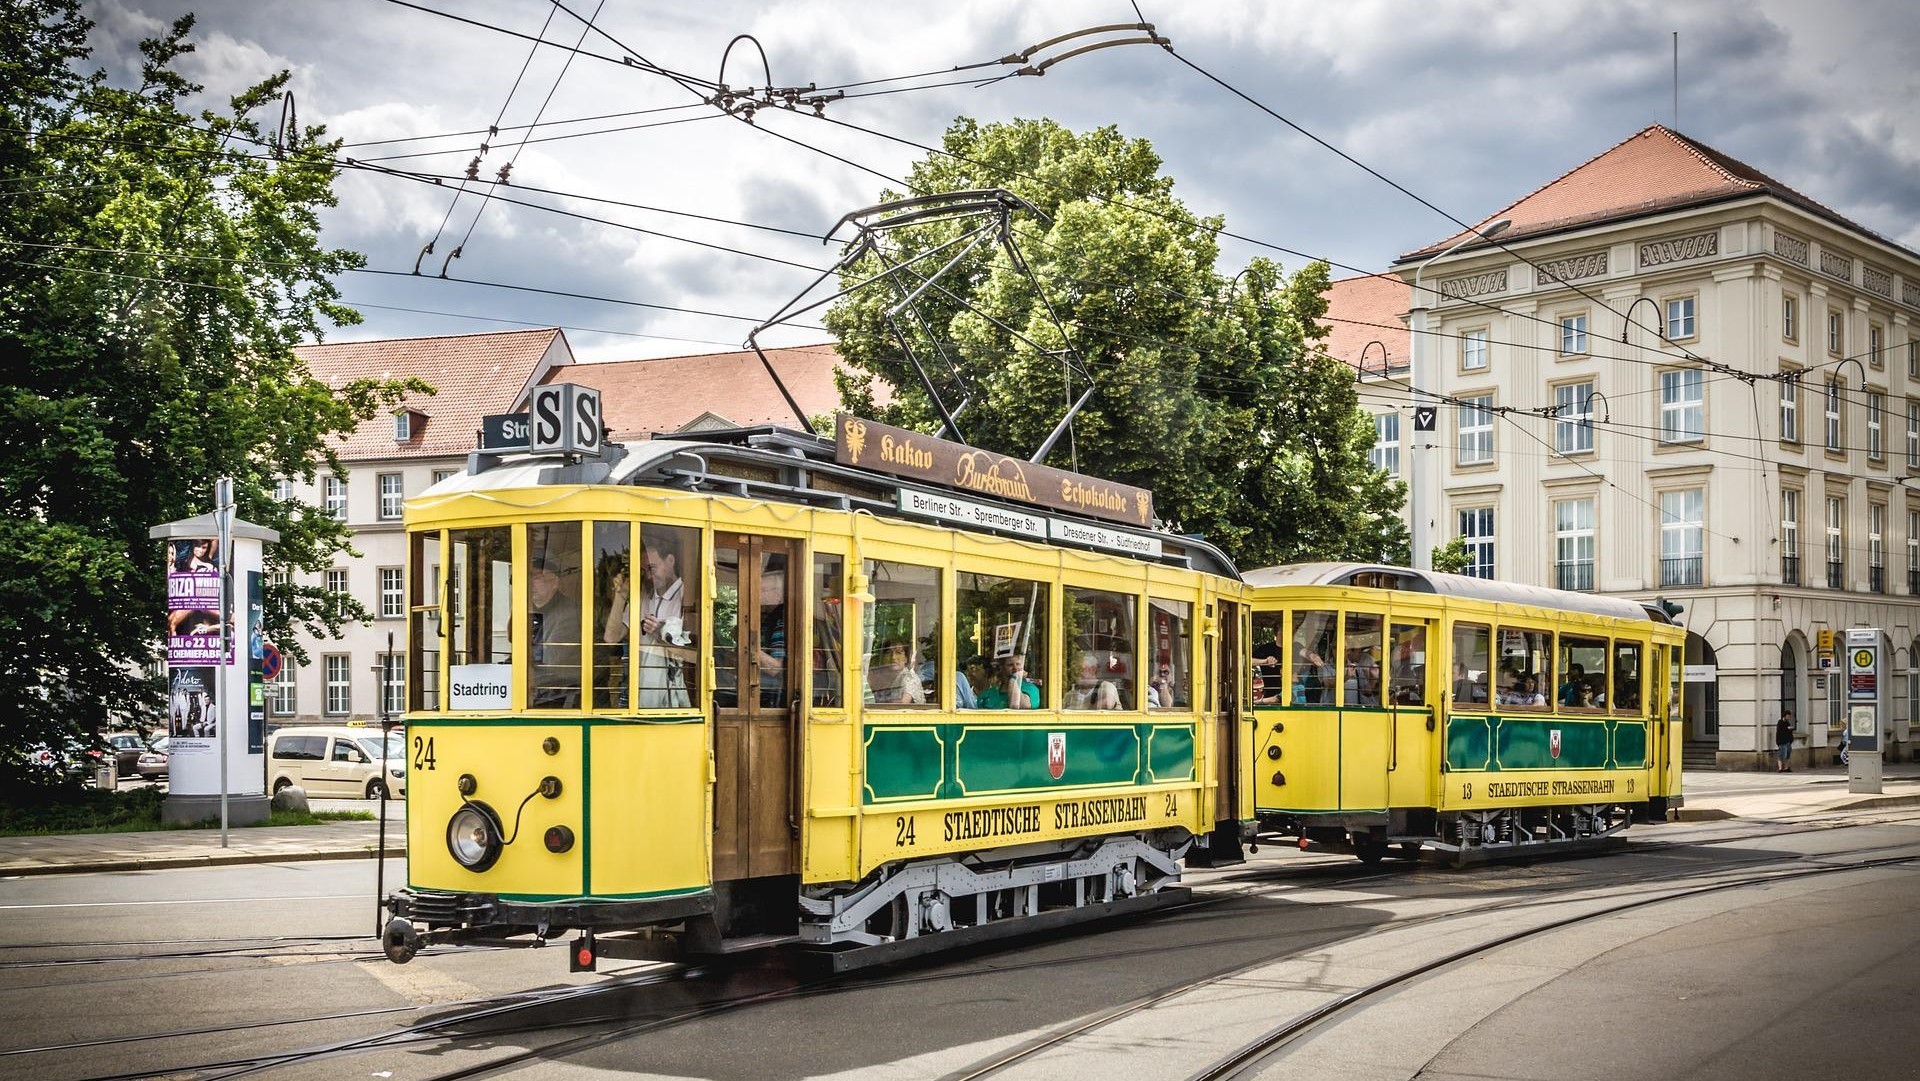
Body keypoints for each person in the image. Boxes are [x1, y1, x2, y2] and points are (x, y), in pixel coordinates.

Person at [605, 540, 693, 708]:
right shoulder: (643, 596)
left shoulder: (687, 596)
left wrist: (661, 632)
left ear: (670, 561)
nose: (648, 576)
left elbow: (695, 652)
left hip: (674, 700)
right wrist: (621, 595)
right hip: (640, 695)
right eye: (644, 571)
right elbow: (611, 637)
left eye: (652, 568)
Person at [528, 554, 581, 708]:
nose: (530, 583)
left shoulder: (568, 613)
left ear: (554, 583)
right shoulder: (535, 609)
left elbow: (551, 659)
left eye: (536, 577)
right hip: (544, 690)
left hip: (560, 695)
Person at [1775, 708, 1795, 772]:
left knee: (1787, 755)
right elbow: (1780, 731)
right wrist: (1787, 729)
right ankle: (1780, 768)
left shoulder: (1787, 722)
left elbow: (1789, 732)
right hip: (1782, 742)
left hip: (1788, 741)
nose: (1789, 717)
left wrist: (1791, 739)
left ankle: (1786, 768)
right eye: (1788, 716)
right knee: (1781, 755)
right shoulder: (1780, 722)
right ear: (1785, 715)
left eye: (1789, 716)